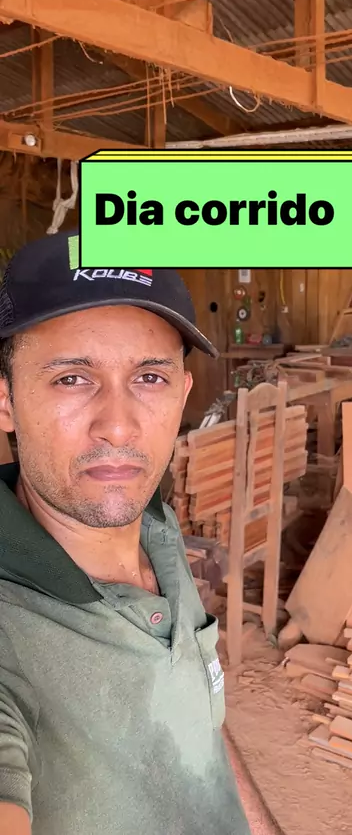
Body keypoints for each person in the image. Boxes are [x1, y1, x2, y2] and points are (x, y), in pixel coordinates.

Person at [0, 231, 281, 835]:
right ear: (5, 402)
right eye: (72, 378)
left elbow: (197, 714)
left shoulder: (153, 522)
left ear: (182, 395)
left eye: (150, 378)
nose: (120, 426)